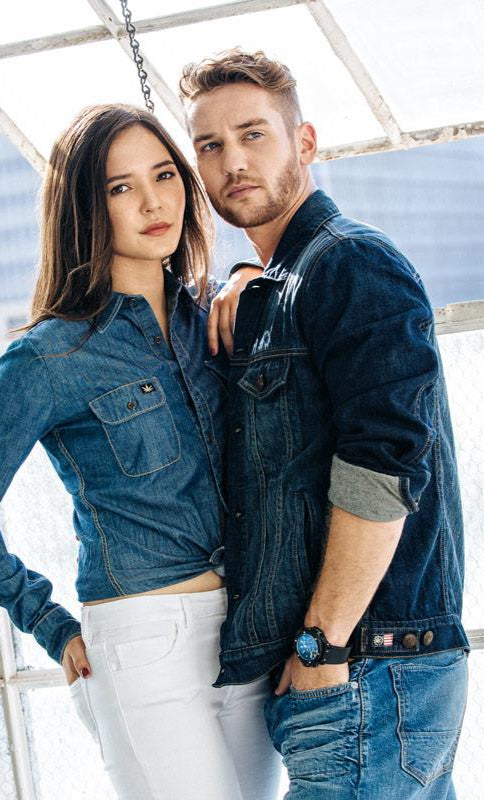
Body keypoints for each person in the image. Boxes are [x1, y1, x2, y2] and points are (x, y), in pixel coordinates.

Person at [0, 103, 282, 800]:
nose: (153, 202)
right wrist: (49, 624)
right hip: (145, 641)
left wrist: (245, 275)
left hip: (246, 628)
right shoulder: (51, 355)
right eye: (121, 187)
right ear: (86, 208)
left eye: (165, 175)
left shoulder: (210, 318)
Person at [180, 48, 469, 799]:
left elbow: (385, 466)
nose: (232, 161)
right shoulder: (282, 284)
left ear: (304, 143)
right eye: (209, 145)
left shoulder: (351, 264)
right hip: (355, 669)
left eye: (253, 134)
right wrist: (247, 277)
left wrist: (322, 644)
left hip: (366, 663)